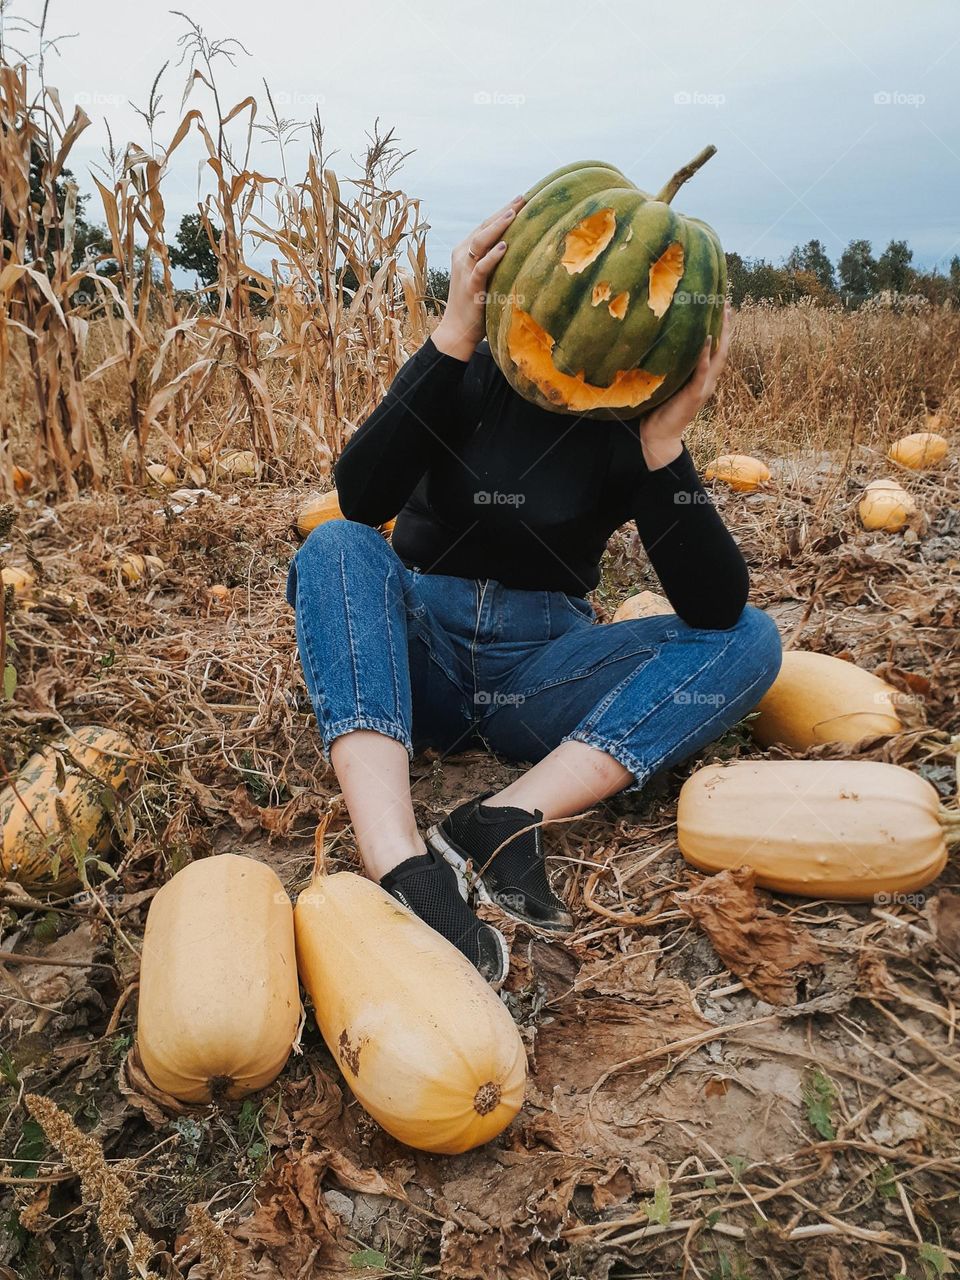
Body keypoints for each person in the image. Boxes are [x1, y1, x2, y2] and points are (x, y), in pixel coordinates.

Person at [286, 193, 782, 987]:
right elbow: (361, 497)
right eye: (583, 291)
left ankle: (503, 819)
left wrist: (666, 443)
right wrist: (450, 336)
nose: (599, 319)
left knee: (753, 636)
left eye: (630, 308)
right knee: (339, 546)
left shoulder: (629, 420)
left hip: (542, 680)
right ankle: (404, 865)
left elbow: (714, 608)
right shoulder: (467, 370)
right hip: (422, 659)